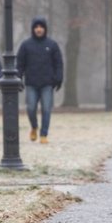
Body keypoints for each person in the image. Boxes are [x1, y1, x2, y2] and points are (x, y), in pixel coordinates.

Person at [17, 16, 63, 144]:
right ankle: (34, 127)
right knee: (31, 108)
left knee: (46, 109)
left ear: (45, 29)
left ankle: (44, 134)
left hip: (47, 83)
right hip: (31, 83)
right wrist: (18, 78)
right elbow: (20, 64)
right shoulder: (26, 45)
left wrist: (58, 78)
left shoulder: (52, 45)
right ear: (33, 29)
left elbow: (58, 63)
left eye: (41, 27)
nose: (39, 29)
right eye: (36, 27)